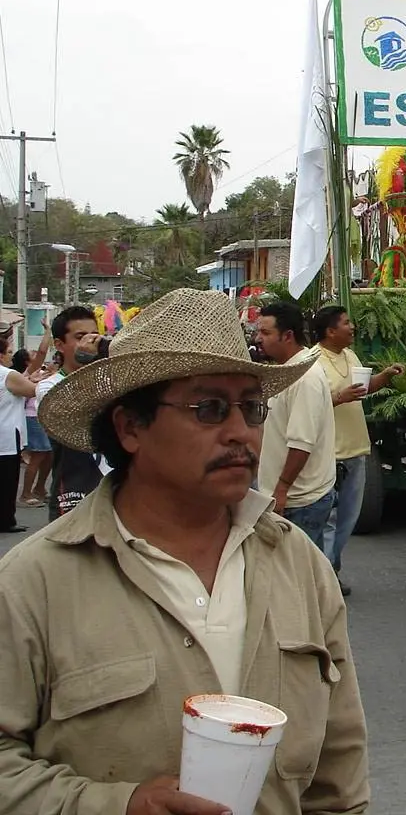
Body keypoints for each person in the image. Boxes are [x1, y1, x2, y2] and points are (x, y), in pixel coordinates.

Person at [0, 288, 369, 814]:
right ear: (131, 428)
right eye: (209, 409)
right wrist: (118, 805)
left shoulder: (297, 562)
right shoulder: (33, 583)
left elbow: (340, 767)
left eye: (252, 408)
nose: (241, 433)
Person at [311, 305, 405, 596]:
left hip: (356, 449)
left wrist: (385, 376)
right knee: (328, 518)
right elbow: (309, 402)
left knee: (348, 519)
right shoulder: (313, 361)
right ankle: (324, 579)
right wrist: (339, 397)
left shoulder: (349, 355)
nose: (352, 327)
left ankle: (330, 568)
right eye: (346, 323)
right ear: (330, 331)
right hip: (330, 452)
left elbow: (364, 389)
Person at [255, 301, 338, 550]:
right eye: (259, 332)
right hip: (289, 497)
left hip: (299, 502)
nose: (258, 338)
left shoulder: (305, 378)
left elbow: (301, 444)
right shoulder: (287, 371)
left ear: (288, 336)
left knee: (297, 579)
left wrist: (281, 490)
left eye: (266, 333)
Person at [35, 305, 110, 521]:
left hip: (113, 486)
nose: (90, 342)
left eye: (94, 335)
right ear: (59, 344)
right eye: (80, 337)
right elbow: (76, 413)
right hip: (73, 490)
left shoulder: (110, 381)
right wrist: (91, 362)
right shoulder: (48, 387)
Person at [0, 340, 44, 533]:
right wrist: (39, 382)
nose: (11, 355)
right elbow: (33, 391)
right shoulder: (7, 375)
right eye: (8, 352)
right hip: (7, 434)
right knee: (8, 480)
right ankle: (6, 520)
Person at [12, 348, 54, 508]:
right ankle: (26, 493)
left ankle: (40, 488)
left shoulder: (39, 372)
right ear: (26, 361)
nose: (37, 354)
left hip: (43, 416)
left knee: (49, 455)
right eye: (33, 354)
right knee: (38, 455)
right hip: (32, 416)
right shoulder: (21, 376)